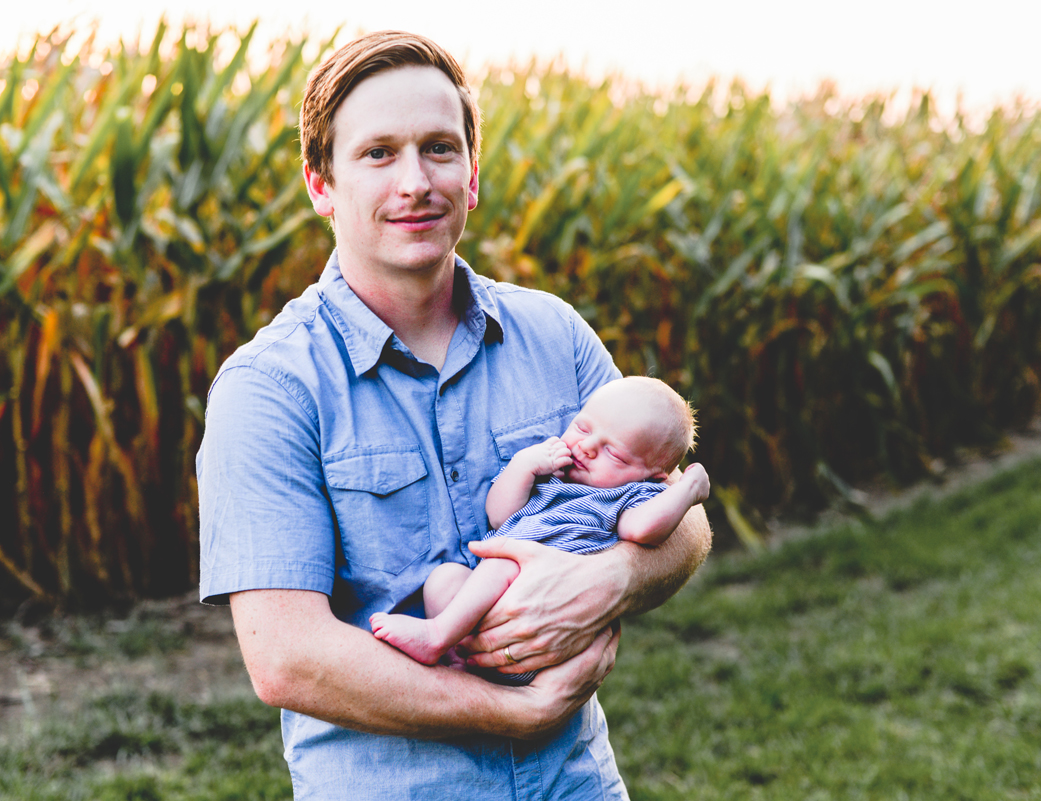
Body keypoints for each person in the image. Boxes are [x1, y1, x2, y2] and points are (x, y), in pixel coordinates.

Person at [196, 30, 711, 799]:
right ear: (320, 184)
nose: (416, 182)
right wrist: (514, 710)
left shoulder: (554, 335)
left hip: (576, 783)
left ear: (471, 177)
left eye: (440, 149)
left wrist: (613, 579)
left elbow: (686, 523)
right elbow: (286, 656)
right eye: (378, 154)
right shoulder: (268, 388)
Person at [370, 376, 711, 685]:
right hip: (489, 607)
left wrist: (688, 489)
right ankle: (459, 658)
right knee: (444, 578)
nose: (588, 447)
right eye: (582, 428)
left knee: (504, 562)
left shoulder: (631, 496)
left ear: (653, 477)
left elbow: (644, 529)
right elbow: (499, 515)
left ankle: (436, 635)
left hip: (542, 631)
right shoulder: (552, 474)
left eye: (614, 453)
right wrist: (524, 466)